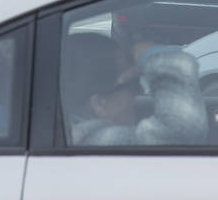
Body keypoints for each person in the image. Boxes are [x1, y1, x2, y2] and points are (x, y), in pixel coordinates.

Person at [60, 32, 207, 146]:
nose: (141, 92)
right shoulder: (93, 141)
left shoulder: (65, 136)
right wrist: (157, 57)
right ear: (100, 104)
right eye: (134, 84)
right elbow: (180, 131)